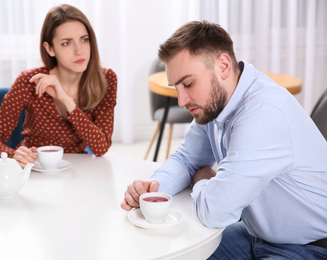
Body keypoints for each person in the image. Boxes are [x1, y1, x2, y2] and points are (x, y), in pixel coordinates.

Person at [121, 21, 327, 259]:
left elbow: (214, 211)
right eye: (177, 87)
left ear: (224, 66)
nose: (181, 100)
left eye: (188, 84)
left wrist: (203, 179)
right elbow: (187, 159)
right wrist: (153, 190)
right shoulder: (213, 106)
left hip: (311, 247)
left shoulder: (264, 112)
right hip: (255, 234)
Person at [0, 4, 117, 167]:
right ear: (50, 48)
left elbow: (101, 148)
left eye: (84, 39)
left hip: (78, 169)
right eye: (66, 43)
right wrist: (14, 155)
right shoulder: (29, 81)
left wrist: (67, 101)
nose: (79, 50)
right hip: (34, 169)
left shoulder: (106, 79)